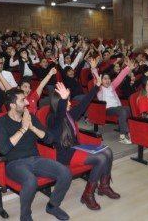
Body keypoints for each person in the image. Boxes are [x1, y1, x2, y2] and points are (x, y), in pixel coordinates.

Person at [0, 88, 72, 221]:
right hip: (14, 163)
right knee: (30, 182)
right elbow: (4, 149)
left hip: (35, 159)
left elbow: (49, 139)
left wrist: (32, 127)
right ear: (12, 105)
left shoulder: (31, 117)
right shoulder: (0, 122)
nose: (26, 103)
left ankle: (53, 206)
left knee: (65, 173)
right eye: (22, 100)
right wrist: (23, 128)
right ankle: (25, 216)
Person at [47, 77, 120, 211]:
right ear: (59, 102)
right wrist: (64, 100)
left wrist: (96, 87)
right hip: (63, 153)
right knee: (100, 158)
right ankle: (88, 195)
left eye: (68, 99)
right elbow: (60, 113)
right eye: (68, 100)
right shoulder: (53, 118)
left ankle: (104, 186)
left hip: (75, 147)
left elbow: (83, 104)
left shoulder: (69, 114)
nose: (70, 102)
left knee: (108, 151)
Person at [91, 57, 135, 144]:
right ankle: (122, 136)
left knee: (131, 110)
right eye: (105, 79)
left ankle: (130, 131)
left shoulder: (112, 86)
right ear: (101, 81)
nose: (107, 80)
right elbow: (95, 79)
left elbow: (120, 77)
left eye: (108, 79)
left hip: (117, 107)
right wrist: (93, 69)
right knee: (122, 111)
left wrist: (128, 68)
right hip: (107, 109)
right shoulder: (99, 88)